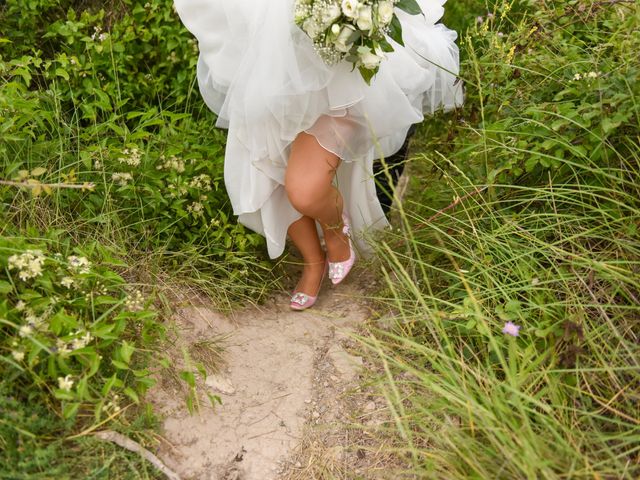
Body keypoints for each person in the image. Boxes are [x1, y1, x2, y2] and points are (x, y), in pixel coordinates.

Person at [174, 0, 463, 310]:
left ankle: (336, 230)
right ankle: (313, 261)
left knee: (305, 190)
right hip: (269, 64)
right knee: (266, 169)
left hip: (336, 79)